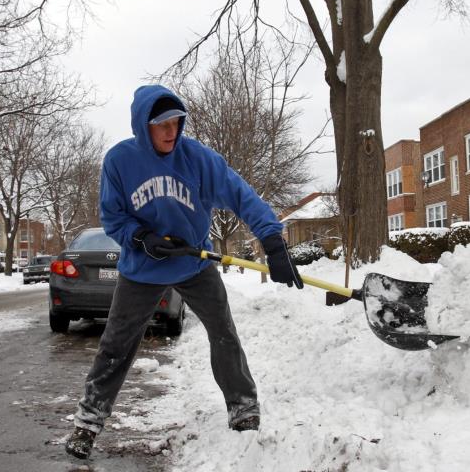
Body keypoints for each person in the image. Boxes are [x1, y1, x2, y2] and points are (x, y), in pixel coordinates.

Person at [65, 84, 303, 460]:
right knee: (116, 344)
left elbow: (241, 195)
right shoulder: (119, 161)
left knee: (223, 331)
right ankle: (88, 422)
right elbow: (112, 217)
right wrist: (142, 237)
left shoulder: (197, 159)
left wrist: (272, 241)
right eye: (161, 124)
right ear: (144, 125)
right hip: (142, 268)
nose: (170, 131)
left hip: (194, 263)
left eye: (176, 122)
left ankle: (242, 405)